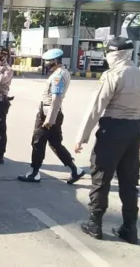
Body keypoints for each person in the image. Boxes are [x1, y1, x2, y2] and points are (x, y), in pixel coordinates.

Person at [74, 36, 140, 245]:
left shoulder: (113, 75)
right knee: (129, 183)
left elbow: (96, 108)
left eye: (108, 53)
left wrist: (81, 137)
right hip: (133, 132)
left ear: (114, 54)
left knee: (101, 179)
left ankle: (95, 224)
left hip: (112, 131)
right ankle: (130, 228)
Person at [18, 48, 85, 184]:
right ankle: (75, 170)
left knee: (37, 142)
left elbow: (56, 98)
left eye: (48, 61)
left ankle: (34, 173)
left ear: (55, 61)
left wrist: (49, 119)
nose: (46, 64)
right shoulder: (62, 72)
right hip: (54, 112)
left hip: (48, 113)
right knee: (55, 143)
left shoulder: (57, 76)